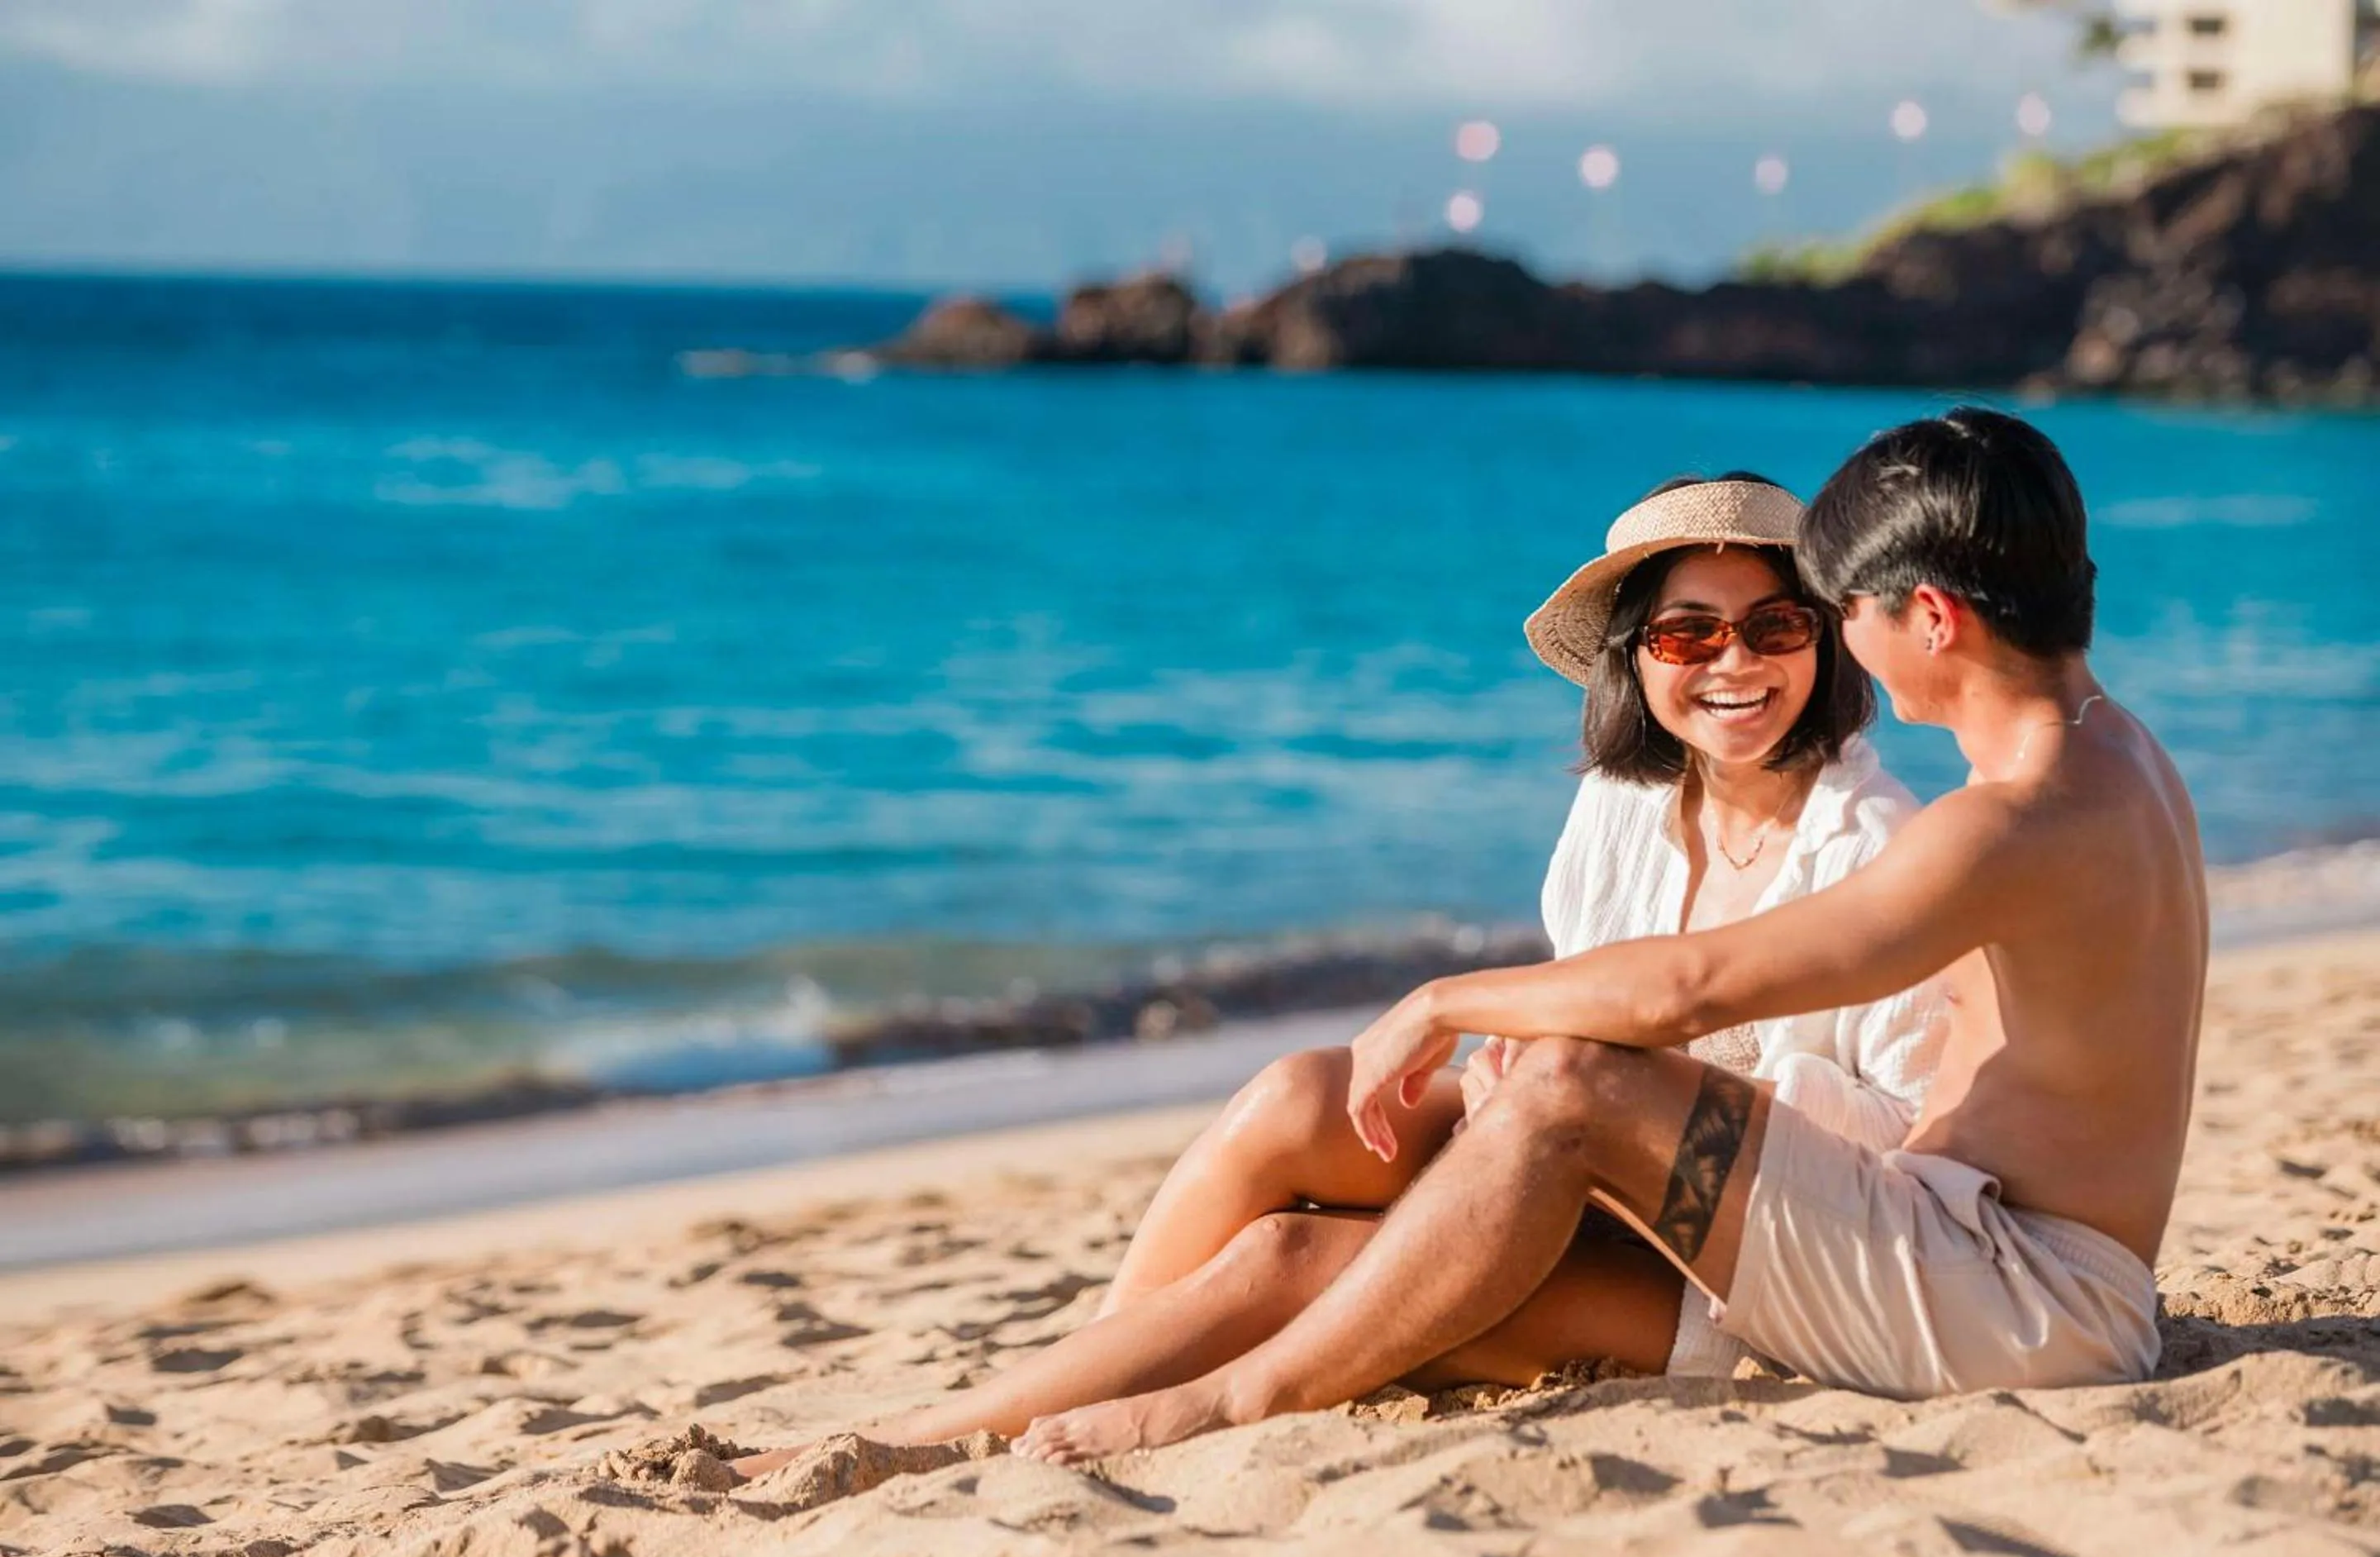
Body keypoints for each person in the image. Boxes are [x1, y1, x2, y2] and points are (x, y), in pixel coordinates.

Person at [1011, 406, 2206, 1464]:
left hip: (2014, 1301)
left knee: (1562, 1090)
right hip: (1986, 1259)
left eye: (1837, 611)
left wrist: (1442, 1002)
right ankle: (1075, 1390)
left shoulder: (1995, 824)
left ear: (1929, 618)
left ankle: (1231, 1403)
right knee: (1390, 1138)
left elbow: (1694, 990)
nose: (1839, 640)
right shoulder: (2118, 755)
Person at [731, 471, 1943, 1478]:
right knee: (1297, 1100)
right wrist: (1538, 1058)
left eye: (1775, 627)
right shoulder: (1628, 809)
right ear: (1639, 656)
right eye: (1692, 633)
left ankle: (913, 1445)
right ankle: (1104, 1356)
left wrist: (1658, 1090)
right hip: (1566, 1175)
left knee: (1282, 1263)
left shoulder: (1875, 844)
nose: (1735, 663)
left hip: (1733, 1272)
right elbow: (1585, 1012)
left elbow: (1911, 1143)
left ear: (1825, 643)